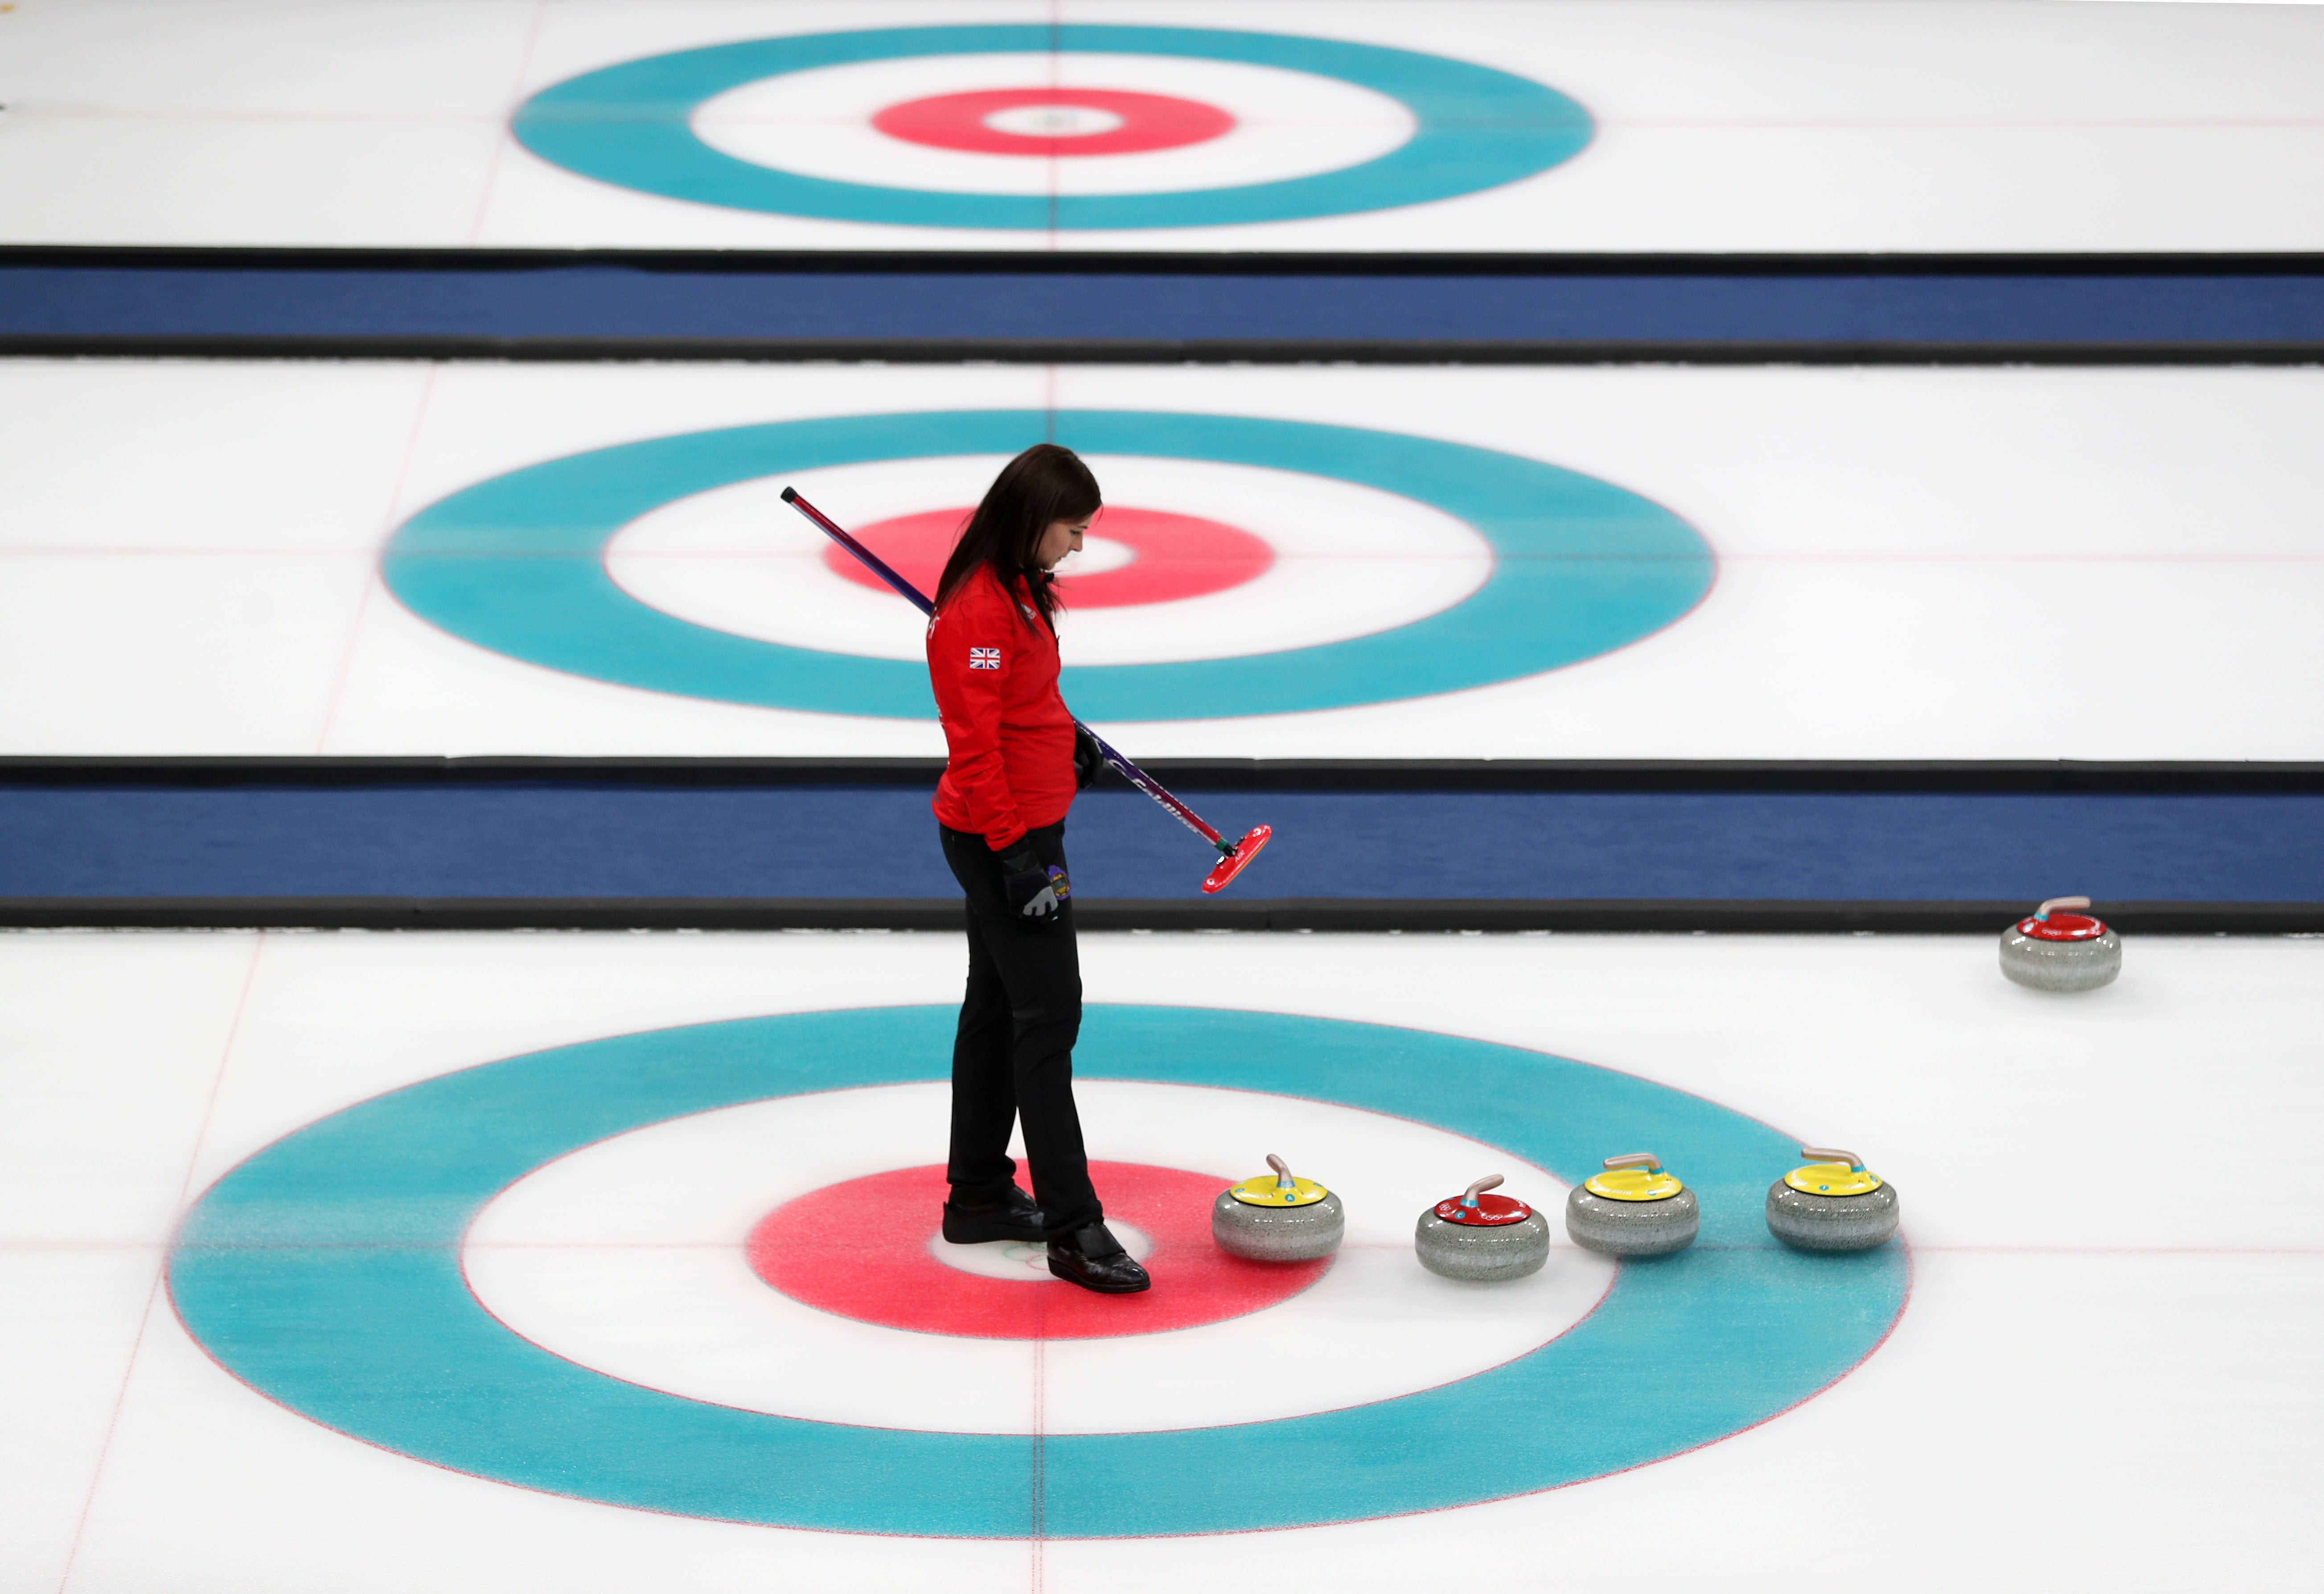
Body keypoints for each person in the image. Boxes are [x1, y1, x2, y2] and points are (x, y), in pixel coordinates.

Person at [926, 443, 1149, 1294]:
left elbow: (1023, 701)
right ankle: (1073, 1226)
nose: (1079, 548)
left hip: (1022, 830)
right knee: (1048, 1018)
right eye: (1074, 530)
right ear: (1033, 518)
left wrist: (1065, 738)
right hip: (1002, 841)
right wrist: (1016, 857)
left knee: (997, 1008)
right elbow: (972, 749)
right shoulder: (980, 611)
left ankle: (978, 1195)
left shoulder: (1019, 590)